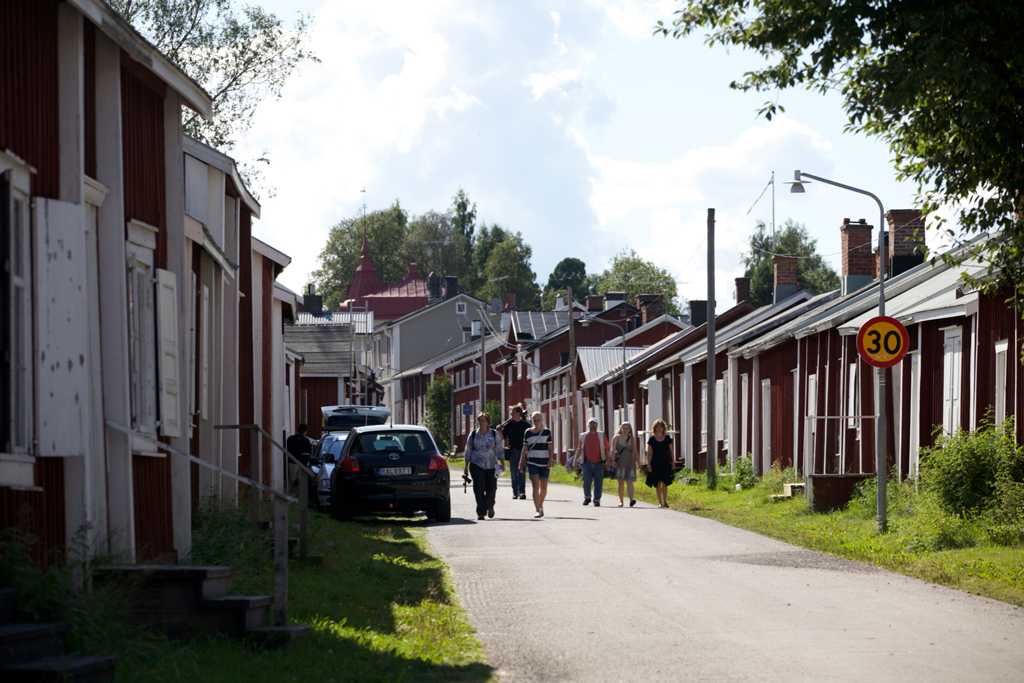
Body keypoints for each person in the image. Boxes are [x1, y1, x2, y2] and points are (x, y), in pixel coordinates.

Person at [464, 412, 505, 520]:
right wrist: (465, 467)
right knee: (478, 488)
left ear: (488, 422)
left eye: (483, 420)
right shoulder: (473, 434)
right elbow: (468, 450)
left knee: (491, 488)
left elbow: (499, 449)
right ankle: (481, 512)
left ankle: (490, 506)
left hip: (491, 465)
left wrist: (503, 463)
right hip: (476, 464)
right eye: (480, 421)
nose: (481, 423)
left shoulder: (494, 433)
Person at [519, 411, 553, 518]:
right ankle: (537, 510)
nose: (537, 422)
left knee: (543, 488)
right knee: (535, 486)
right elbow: (525, 448)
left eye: (538, 420)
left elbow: (550, 448)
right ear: (532, 421)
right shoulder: (528, 432)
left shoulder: (547, 432)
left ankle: (541, 505)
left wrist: (550, 460)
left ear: (542, 420)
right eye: (534, 420)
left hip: (544, 462)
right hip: (532, 462)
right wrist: (521, 463)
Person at [575, 417, 610, 506]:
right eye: (591, 423)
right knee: (586, 481)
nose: (592, 425)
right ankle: (587, 497)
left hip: (599, 462)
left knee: (598, 483)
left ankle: (597, 500)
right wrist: (575, 461)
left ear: (597, 425)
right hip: (587, 463)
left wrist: (608, 461)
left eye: (594, 423)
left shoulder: (601, 435)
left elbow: (606, 449)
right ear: (588, 425)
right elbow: (579, 449)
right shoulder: (583, 436)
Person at [498, 405, 529, 500]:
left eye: (513, 412)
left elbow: (530, 439)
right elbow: (501, 437)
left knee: (522, 472)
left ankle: (522, 492)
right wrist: (498, 430)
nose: (511, 414)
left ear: (518, 413)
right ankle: (515, 492)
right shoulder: (509, 425)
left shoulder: (526, 425)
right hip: (512, 451)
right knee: (513, 473)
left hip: (522, 451)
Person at [645, 419, 675, 508]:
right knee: (657, 482)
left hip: (665, 462)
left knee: (664, 482)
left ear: (663, 428)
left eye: (661, 427)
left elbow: (671, 451)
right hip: (655, 463)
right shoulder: (652, 439)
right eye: (657, 427)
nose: (659, 429)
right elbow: (649, 452)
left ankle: (665, 502)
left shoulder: (667, 438)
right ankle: (660, 502)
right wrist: (648, 464)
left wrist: (673, 462)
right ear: (655, 428)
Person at [612, 422, 639, 507]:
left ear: (629, 430)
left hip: (630, 462)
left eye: (627, 428)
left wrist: (639, 463)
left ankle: (631, 500)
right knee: (620, 482)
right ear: (621, 428)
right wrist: (613, 460)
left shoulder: (632, 439)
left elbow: (635, 451)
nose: (625, 430)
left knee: (629, 481)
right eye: (623, 428)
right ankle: (621, 501)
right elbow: (613, 450)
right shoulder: (616, 438)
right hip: (620, 462)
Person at [286, 423, 313, 488]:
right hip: (302, 463)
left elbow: (288, 449)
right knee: (301, 479)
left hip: (292, 461)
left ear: (297, 429)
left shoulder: (290, 438)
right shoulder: (306, 440)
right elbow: (308, 453)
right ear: (306, 431)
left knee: (292, 479)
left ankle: (292, 491)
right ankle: (300, 493)